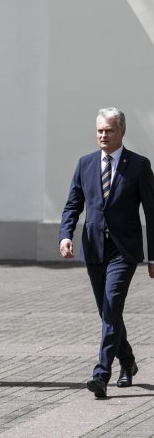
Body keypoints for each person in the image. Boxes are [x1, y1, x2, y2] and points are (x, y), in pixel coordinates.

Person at [59, 107, 154, 398]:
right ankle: (127, 362)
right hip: (95, 247)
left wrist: (153, 256)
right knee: (106, 311)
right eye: (100, 130)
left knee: (112, 305)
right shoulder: (85, 164)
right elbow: (73, 203)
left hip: (124, 250)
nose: (103, 135)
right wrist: (65, 235)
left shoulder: (138, 165)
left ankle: (101, 374)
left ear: (121, 132)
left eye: (109, 130)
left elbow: (152, 213)